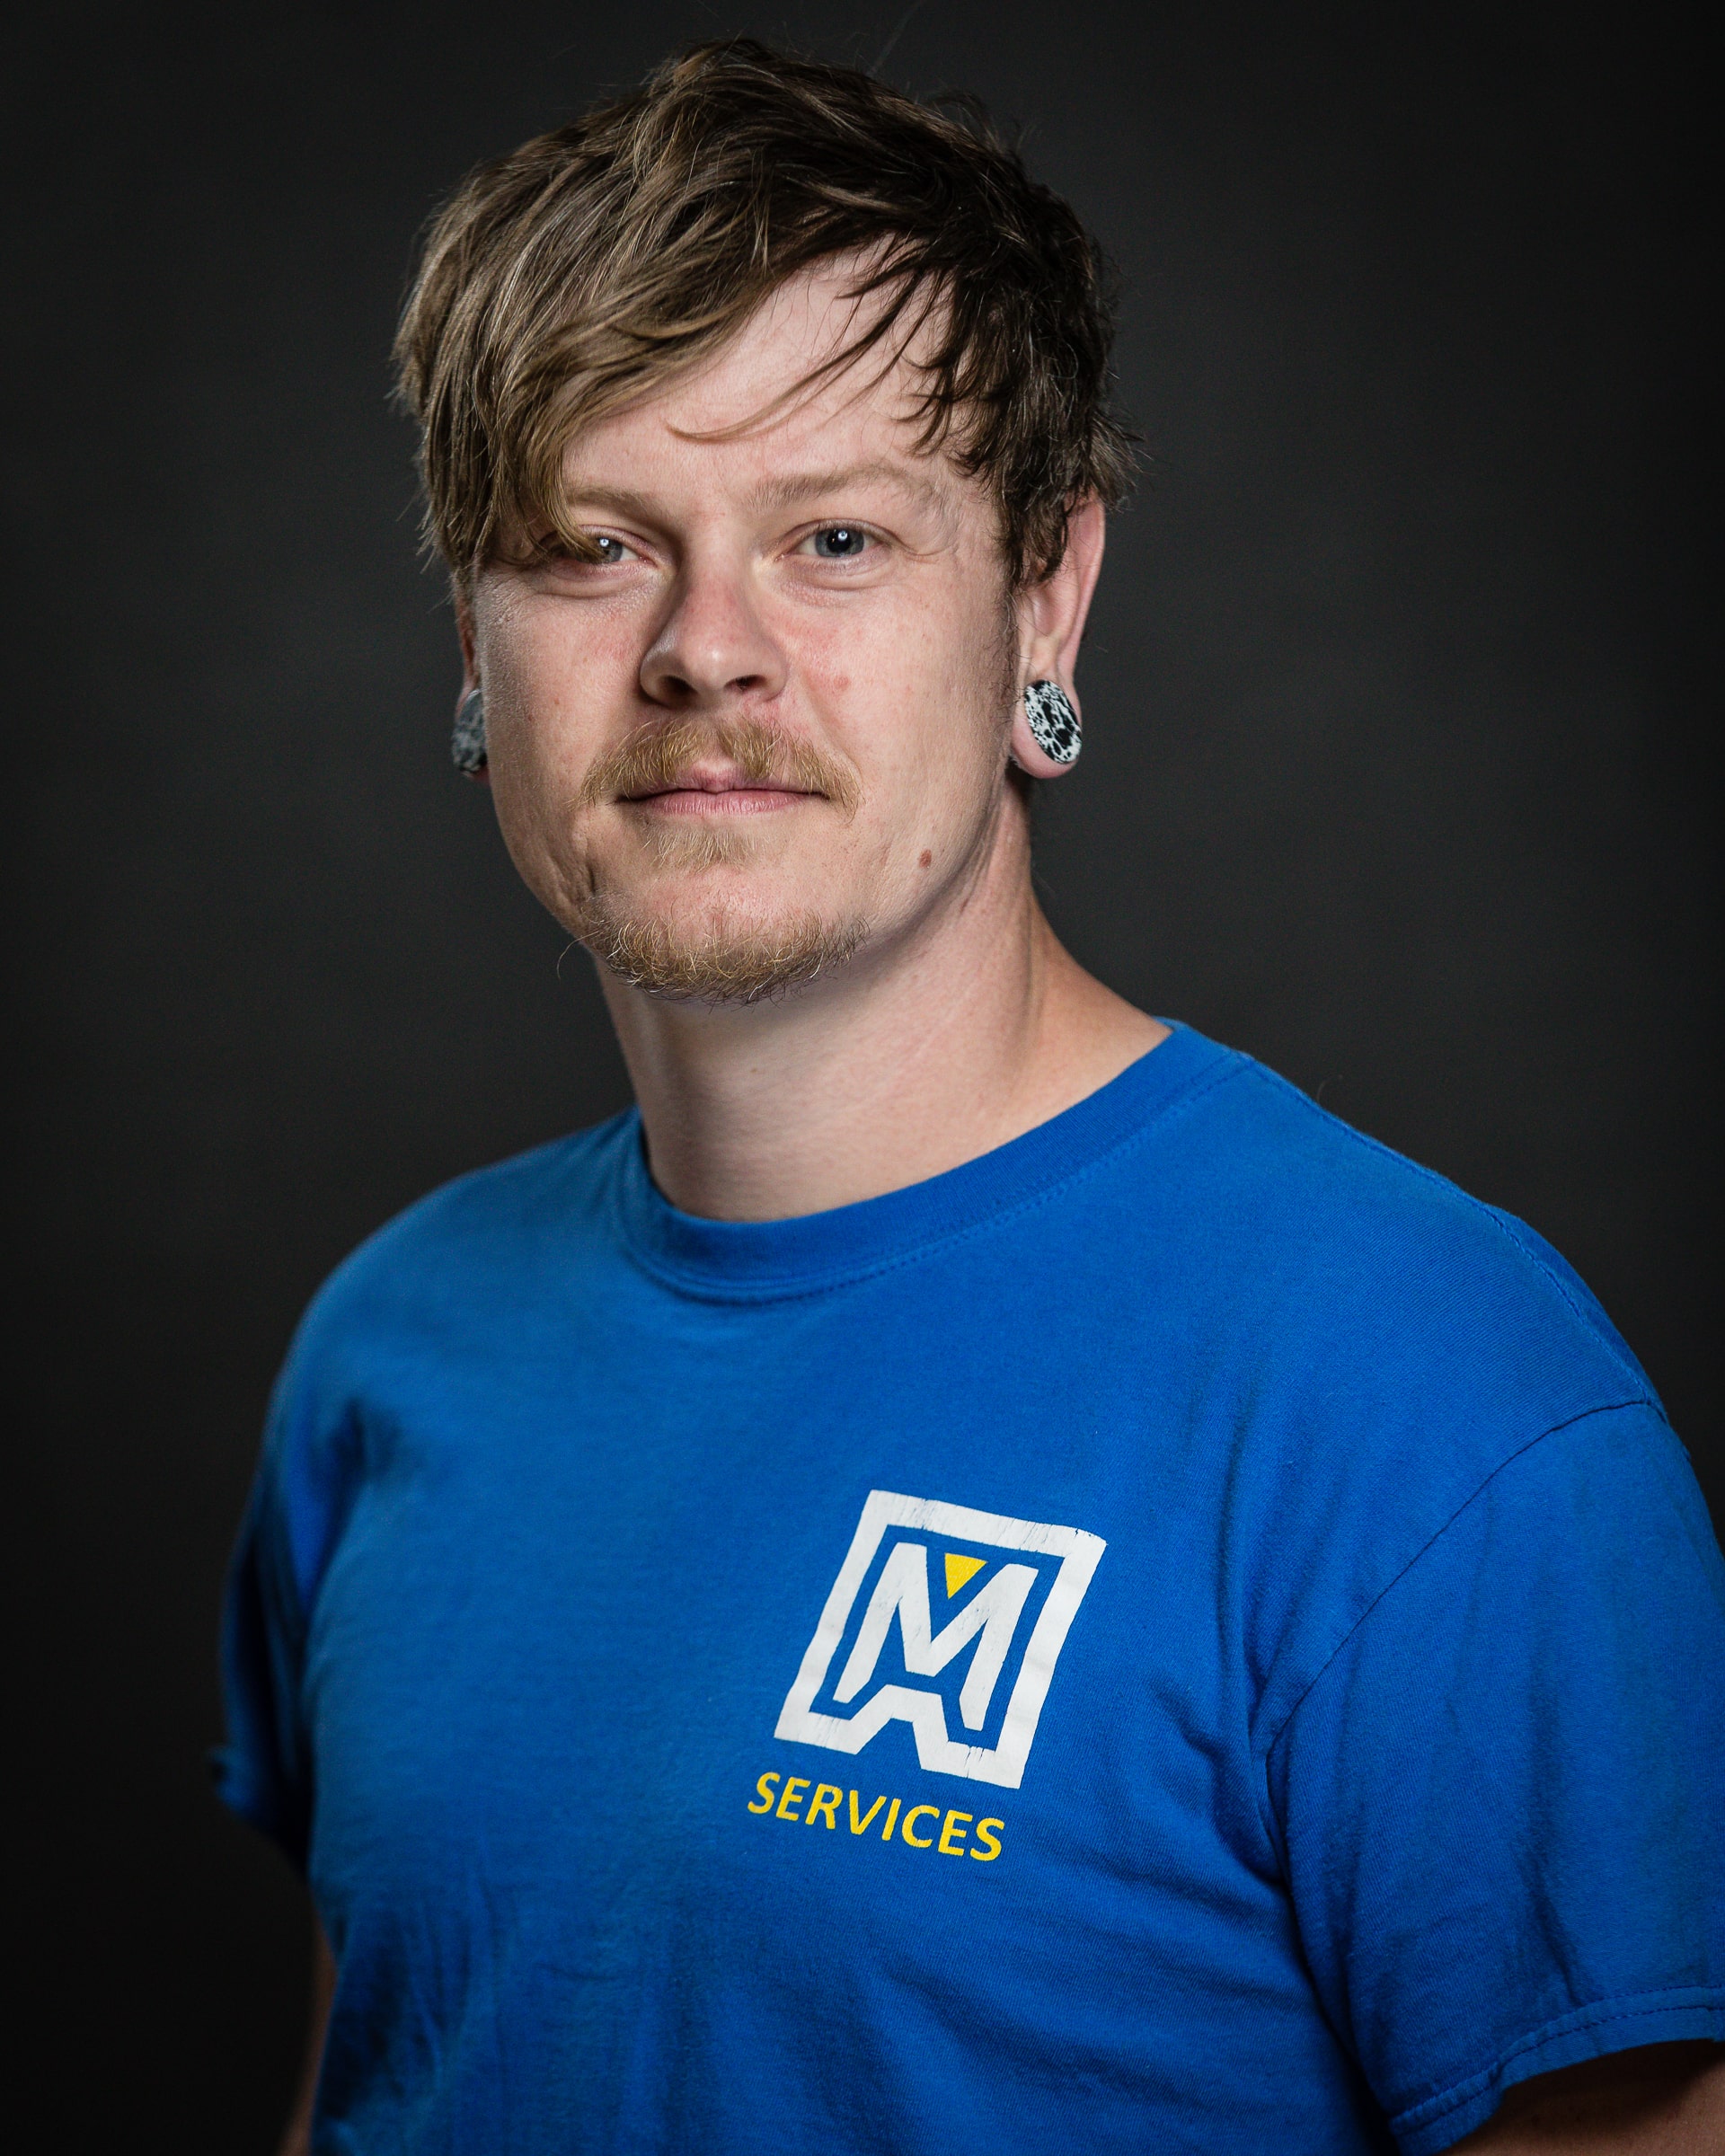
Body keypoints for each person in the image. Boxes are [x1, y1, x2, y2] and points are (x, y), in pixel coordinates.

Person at [216, 40, 1724, 2156]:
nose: (702, 651)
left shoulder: (1437, 1412)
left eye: (833, 535)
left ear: (1045, 596)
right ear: (472, 640)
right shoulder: (390, 1350)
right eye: (588, 544)